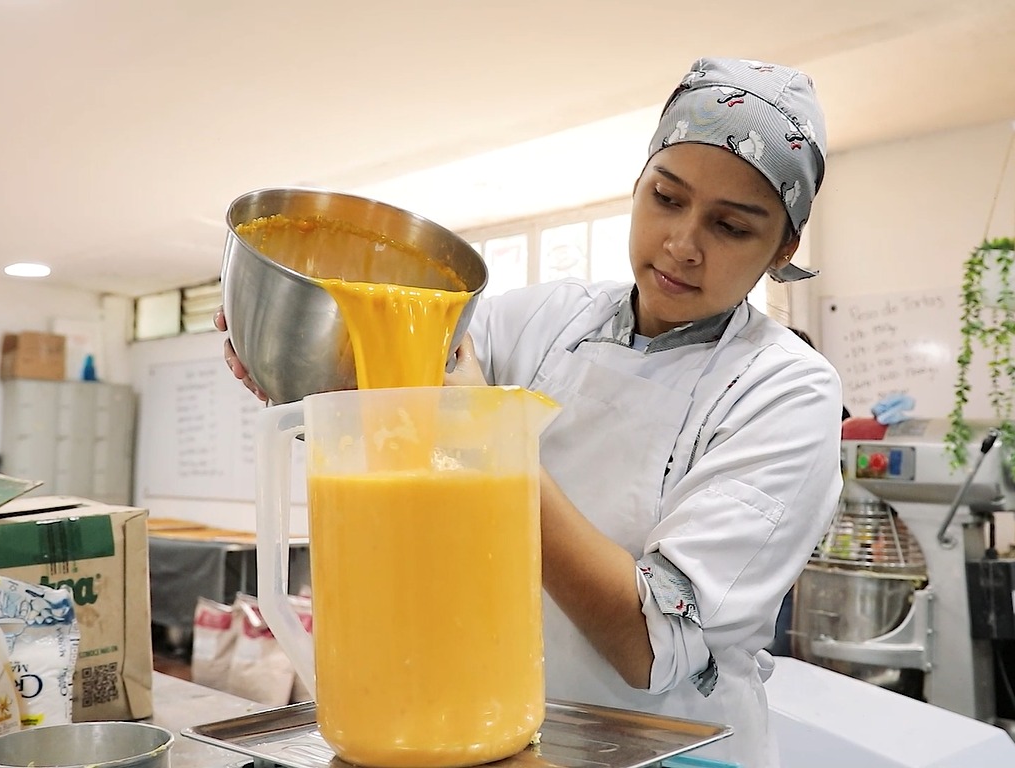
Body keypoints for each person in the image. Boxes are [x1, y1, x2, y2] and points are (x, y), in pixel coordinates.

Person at [220, 57, 843, 767]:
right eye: (666, 198)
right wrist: (293, 352)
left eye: (730, 227)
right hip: (497, 729)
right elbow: (377, 400)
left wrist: (489, 429)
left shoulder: (785, 392)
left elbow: (651, 645)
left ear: (783, 248)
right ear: (638, 184)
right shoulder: (546, 321)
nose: (682, 244)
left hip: (674, 749)